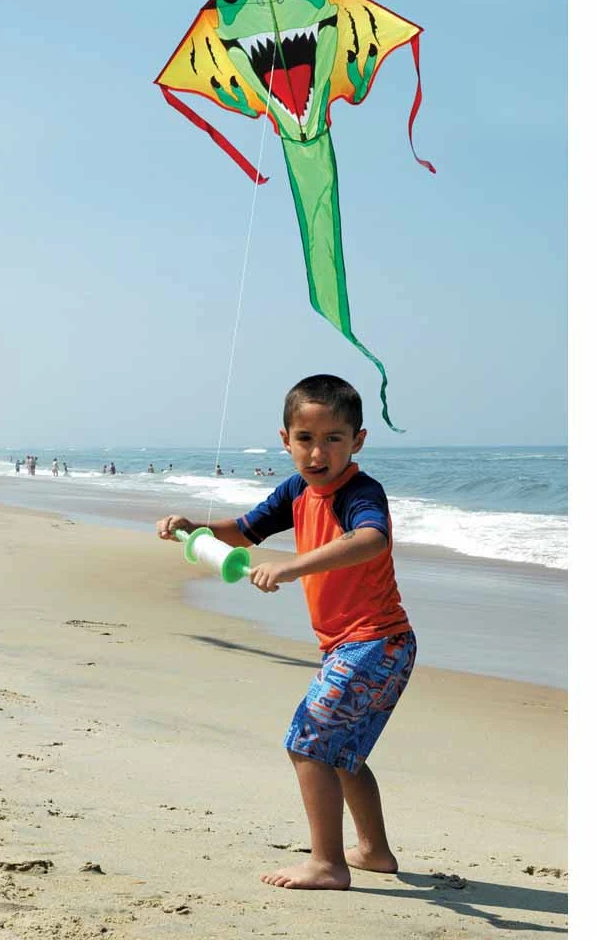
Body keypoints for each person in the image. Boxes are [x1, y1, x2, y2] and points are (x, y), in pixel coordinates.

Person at [156, 374, 415, 891]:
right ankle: (374, 851)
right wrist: (192, 529)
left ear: (358, 441)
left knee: (308, 741)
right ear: (286, 440)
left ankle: (327, 864)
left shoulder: (360, 492)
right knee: (342, 754)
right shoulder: (297, 490)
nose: (318, 453)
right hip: (361, 646)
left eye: (333, 439)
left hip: (375, 642)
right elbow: (244, 530)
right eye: (305, 439)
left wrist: (292, 566)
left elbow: (371, 539)